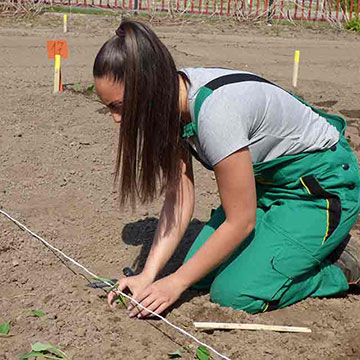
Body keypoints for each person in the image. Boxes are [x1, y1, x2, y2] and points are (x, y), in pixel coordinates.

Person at [93, 19, 360, 317]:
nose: (116, 119)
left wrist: (176, 282)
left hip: (319, 189)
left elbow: (241, 221)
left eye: (119, 106)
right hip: (266, 189)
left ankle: (342, 265)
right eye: (109, 108)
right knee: (203, 275)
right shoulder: (171, 98)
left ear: (148, 86)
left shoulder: (215, 114)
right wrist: (149, 275)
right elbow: (179, 198)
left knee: (234, 292)